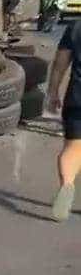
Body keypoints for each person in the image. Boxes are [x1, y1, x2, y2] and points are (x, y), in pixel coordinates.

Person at [46, 20, 81, 221]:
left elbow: (60, 64)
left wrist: (52, 92)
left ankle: (67, 184)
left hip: (77, 98)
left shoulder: (76, 26)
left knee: (73, 148)